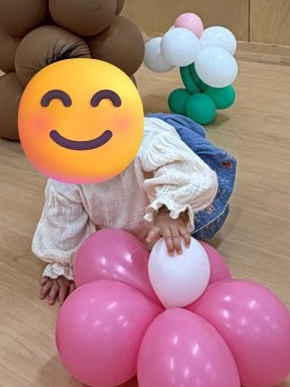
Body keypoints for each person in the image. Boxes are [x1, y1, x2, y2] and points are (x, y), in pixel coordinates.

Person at [33, 112, 237, 305]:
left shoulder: (147, 143)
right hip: (129, 218)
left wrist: (169, 209)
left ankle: (177, 125)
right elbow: (62, 219)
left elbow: (197, 179)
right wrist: (62, 267)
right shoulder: (64, 175)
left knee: (201, 224)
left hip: (161, 156)